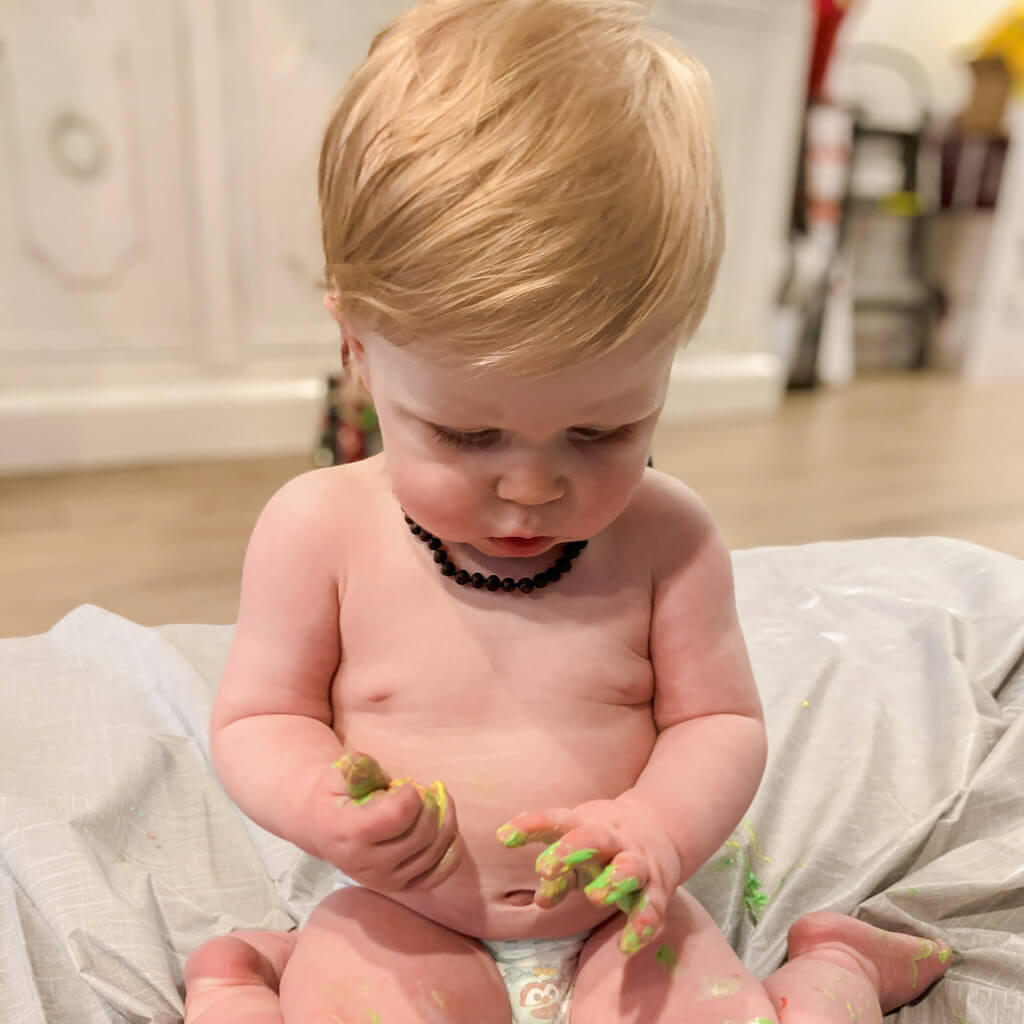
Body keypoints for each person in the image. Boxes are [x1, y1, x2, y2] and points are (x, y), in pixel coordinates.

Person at [184, 2, 951, 1021]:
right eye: (466, 436)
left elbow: (717, 722)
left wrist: (656, 828)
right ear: (357, 350)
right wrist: (320, 801)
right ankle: (241, 973)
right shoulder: (317, 529)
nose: (532, 487)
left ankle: (837, 965)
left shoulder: (667, 540)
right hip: (405, 918)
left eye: (600, 434)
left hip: (621, 920)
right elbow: (259, 717)